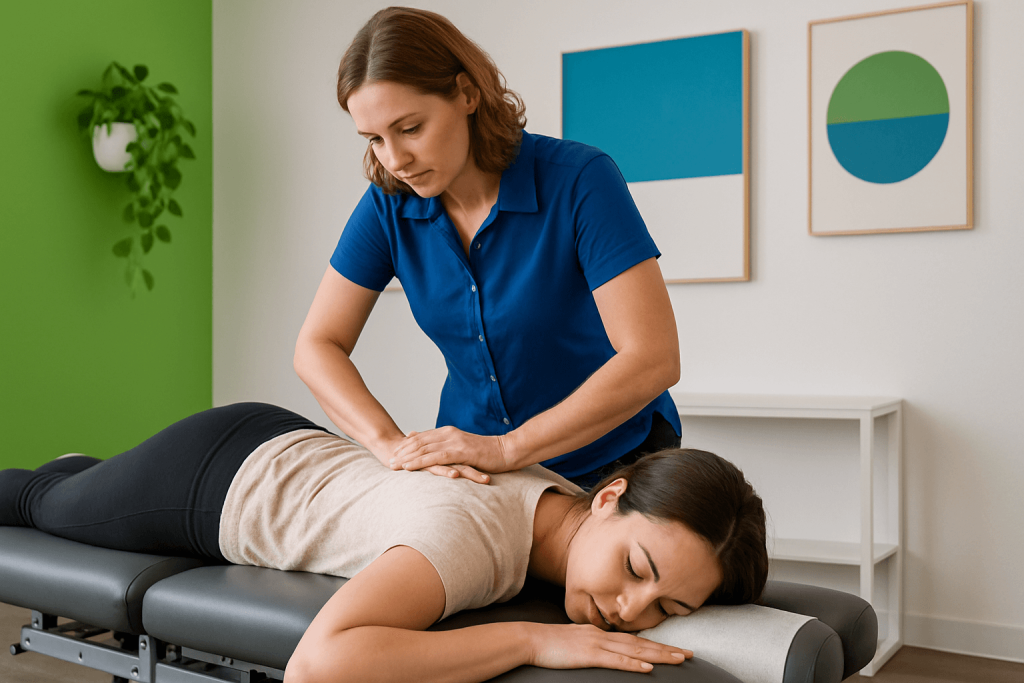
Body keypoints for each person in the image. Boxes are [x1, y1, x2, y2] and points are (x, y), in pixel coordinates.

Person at [0, 402, 768, 683]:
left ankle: (91, 475)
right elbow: (319, 663)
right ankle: (77, 480)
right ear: (607, 497)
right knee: (43, 501)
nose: (629, 607)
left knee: (76, 488)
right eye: (637, 568)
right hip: (210, 482)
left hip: (291, 445)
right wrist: (533, 640)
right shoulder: (466, 539)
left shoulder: (558, 508)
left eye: (667, 605)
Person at [294, 6, 683, 491]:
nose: (395, 160)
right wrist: (390, 446)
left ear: (467, 94)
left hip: (615, 462)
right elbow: (316, 346)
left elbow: (653, 357)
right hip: (480, 479)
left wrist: (507, 448)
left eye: (411, 128)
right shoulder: (388, 206)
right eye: (374, 139)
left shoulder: (579, 180)